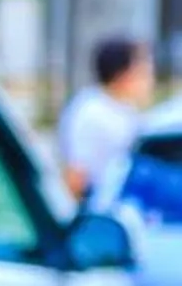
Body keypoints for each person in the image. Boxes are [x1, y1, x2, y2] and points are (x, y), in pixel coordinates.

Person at [59, 36, 154, 207]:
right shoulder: (91, 113)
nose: (149, 79)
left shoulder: (126, 111)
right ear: (122, 74)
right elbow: (76, 176)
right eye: (143, 71)